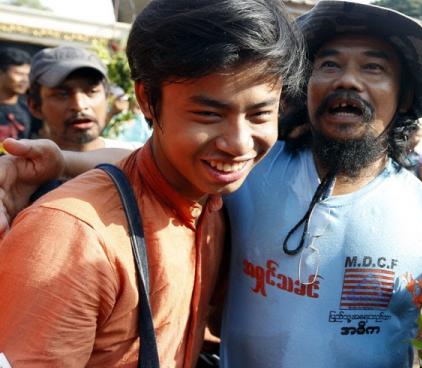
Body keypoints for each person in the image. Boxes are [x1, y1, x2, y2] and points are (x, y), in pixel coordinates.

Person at [0, 2, 422, 367]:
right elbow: (150, 163)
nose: (349, 80)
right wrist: (59, 161)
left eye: (373, 66)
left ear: (404, 93)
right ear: (304, 89)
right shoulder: (252, 171)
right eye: (329, 63)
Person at [0, 0, 305, 366]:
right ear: (146, 99)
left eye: (260, 114)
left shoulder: (212, 206)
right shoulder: (72, 235)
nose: (239, 143)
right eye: (208, 114)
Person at [28, 46, 142, 152]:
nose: (79, 105)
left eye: (91, 91)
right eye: (62, 94)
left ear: (107, 97)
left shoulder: (138, 161)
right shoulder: (17, 169)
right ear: (35, 106)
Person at [0, 47, 32, 141]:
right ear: (1, 73)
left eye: (27, 75)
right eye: (19, 74)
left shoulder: (30, 110)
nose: (25, 80)